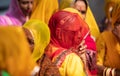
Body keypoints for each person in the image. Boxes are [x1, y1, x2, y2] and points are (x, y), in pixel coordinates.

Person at [96, 2, 120, 76]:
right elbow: (96, 67)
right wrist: (115, 73)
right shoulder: (104, 37)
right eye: (118, 23)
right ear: (115, 24)